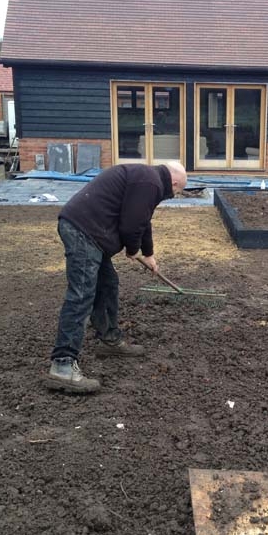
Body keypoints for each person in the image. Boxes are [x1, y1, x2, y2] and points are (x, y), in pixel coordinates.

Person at [45, 161, 187, 393]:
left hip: (90, 233)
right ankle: (62, 365)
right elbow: (131, 225)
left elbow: (143, 219)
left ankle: (109, 340)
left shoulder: (147, 178)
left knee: (108, 284)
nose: (173, 196)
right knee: (81, 295)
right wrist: (133, 249)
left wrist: (148, 253)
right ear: (174, 183)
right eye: (177, 192)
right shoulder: (150, 182)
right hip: (83, 231)